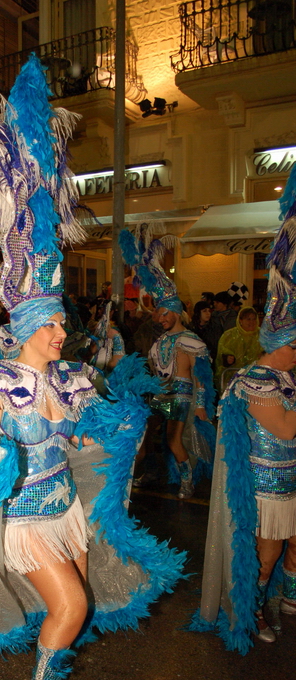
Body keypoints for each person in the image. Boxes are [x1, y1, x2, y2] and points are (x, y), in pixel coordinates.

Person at [0, 55, 186, 680]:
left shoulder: (67, 379)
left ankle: (55, 673)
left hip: (68, 511)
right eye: (56, 324)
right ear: (29, 328)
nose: (66, 331)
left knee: (77, 607)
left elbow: (84, 432)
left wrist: (101, 435)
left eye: (64, 322)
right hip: (29, 525)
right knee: (70, 609)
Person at [190, 168, 296, 653]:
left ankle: (285, 601)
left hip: (290, 480)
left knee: (285, 553)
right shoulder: (257, 380)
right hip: (268, 486)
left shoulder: (285, 376)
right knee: (265, 556)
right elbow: (286, 430)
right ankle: (249, 612)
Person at [121, 228, 216, 499]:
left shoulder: (190, 340)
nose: (159, 318)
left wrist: (200, 406)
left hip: (180, 396)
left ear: (175, 312)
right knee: (142, 433)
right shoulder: (158, 341)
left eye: (164, 314)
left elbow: (202, 375)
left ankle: (187, 480)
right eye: (157, 314)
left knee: (174, 440)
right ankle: (145, 472)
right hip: (160, 395)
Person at [215, 306, 263, 392]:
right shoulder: (229, 335)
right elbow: (221, 355)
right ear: (240, 320)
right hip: (234, 379)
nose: (252, 322)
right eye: (248, 319)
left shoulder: (263, 335)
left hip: (258, 379)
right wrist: (228, 359)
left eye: (253, 319)